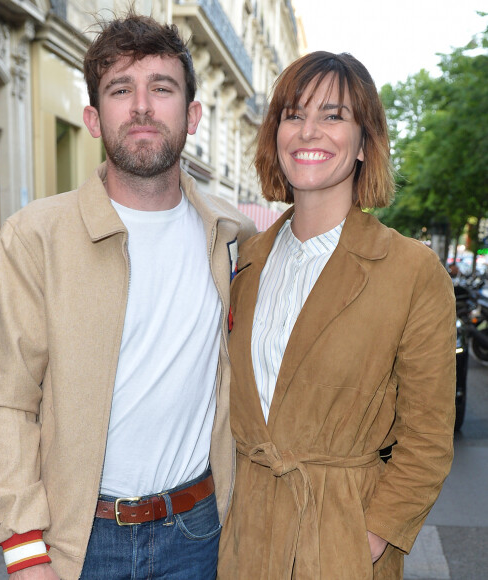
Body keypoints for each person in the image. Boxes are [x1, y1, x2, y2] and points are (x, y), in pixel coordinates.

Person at [0, 12, 256, 580]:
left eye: (162, 88)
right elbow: (6, 400)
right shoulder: (36, 236)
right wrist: (25, 550)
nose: (143, 106)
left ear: (192, 114)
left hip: (199, 532)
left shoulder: (232, 237)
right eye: (121, 90)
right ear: (94, 118)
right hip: (78, 541)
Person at [217, 51, 456, 579]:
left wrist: (367, 536)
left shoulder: (410, 269)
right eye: (294, 114)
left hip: (340, 541)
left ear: (365, 141)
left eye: (333, 116)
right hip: (243, 540)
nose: (309, 132)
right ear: (275, 134)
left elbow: (429, 436)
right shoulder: (245, 260)